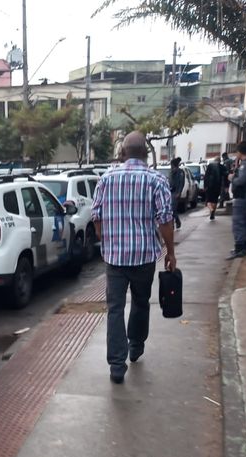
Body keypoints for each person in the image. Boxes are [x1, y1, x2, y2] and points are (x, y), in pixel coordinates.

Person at [91, 131, 176, 384]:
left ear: (123, 152)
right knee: (141, 302)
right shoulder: (156, 180)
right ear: (146, 153)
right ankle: (136, 346)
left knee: (115, 309)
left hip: (115, 259)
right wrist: (170, 252)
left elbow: (96, 216)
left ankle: (117, 366)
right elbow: (165, 219)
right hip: (144, 257)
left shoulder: (106, 179)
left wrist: (105, 241)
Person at [226, 141, 246, 259]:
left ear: (240, 152)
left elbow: (241, 180)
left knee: (238, 222)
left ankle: (239, 246)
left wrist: (232, 178)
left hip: (242, 196)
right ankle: (245, 245)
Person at [169, 157, 185, 229]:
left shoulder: (180, 172)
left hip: (176, 192)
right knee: (170, 209)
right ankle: (174, 222)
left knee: (173, 209)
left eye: (171, 165)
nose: (171, 166)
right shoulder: (171, 171)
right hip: (170, 191)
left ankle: (176, 222)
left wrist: (179, 192)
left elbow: (181, 183)